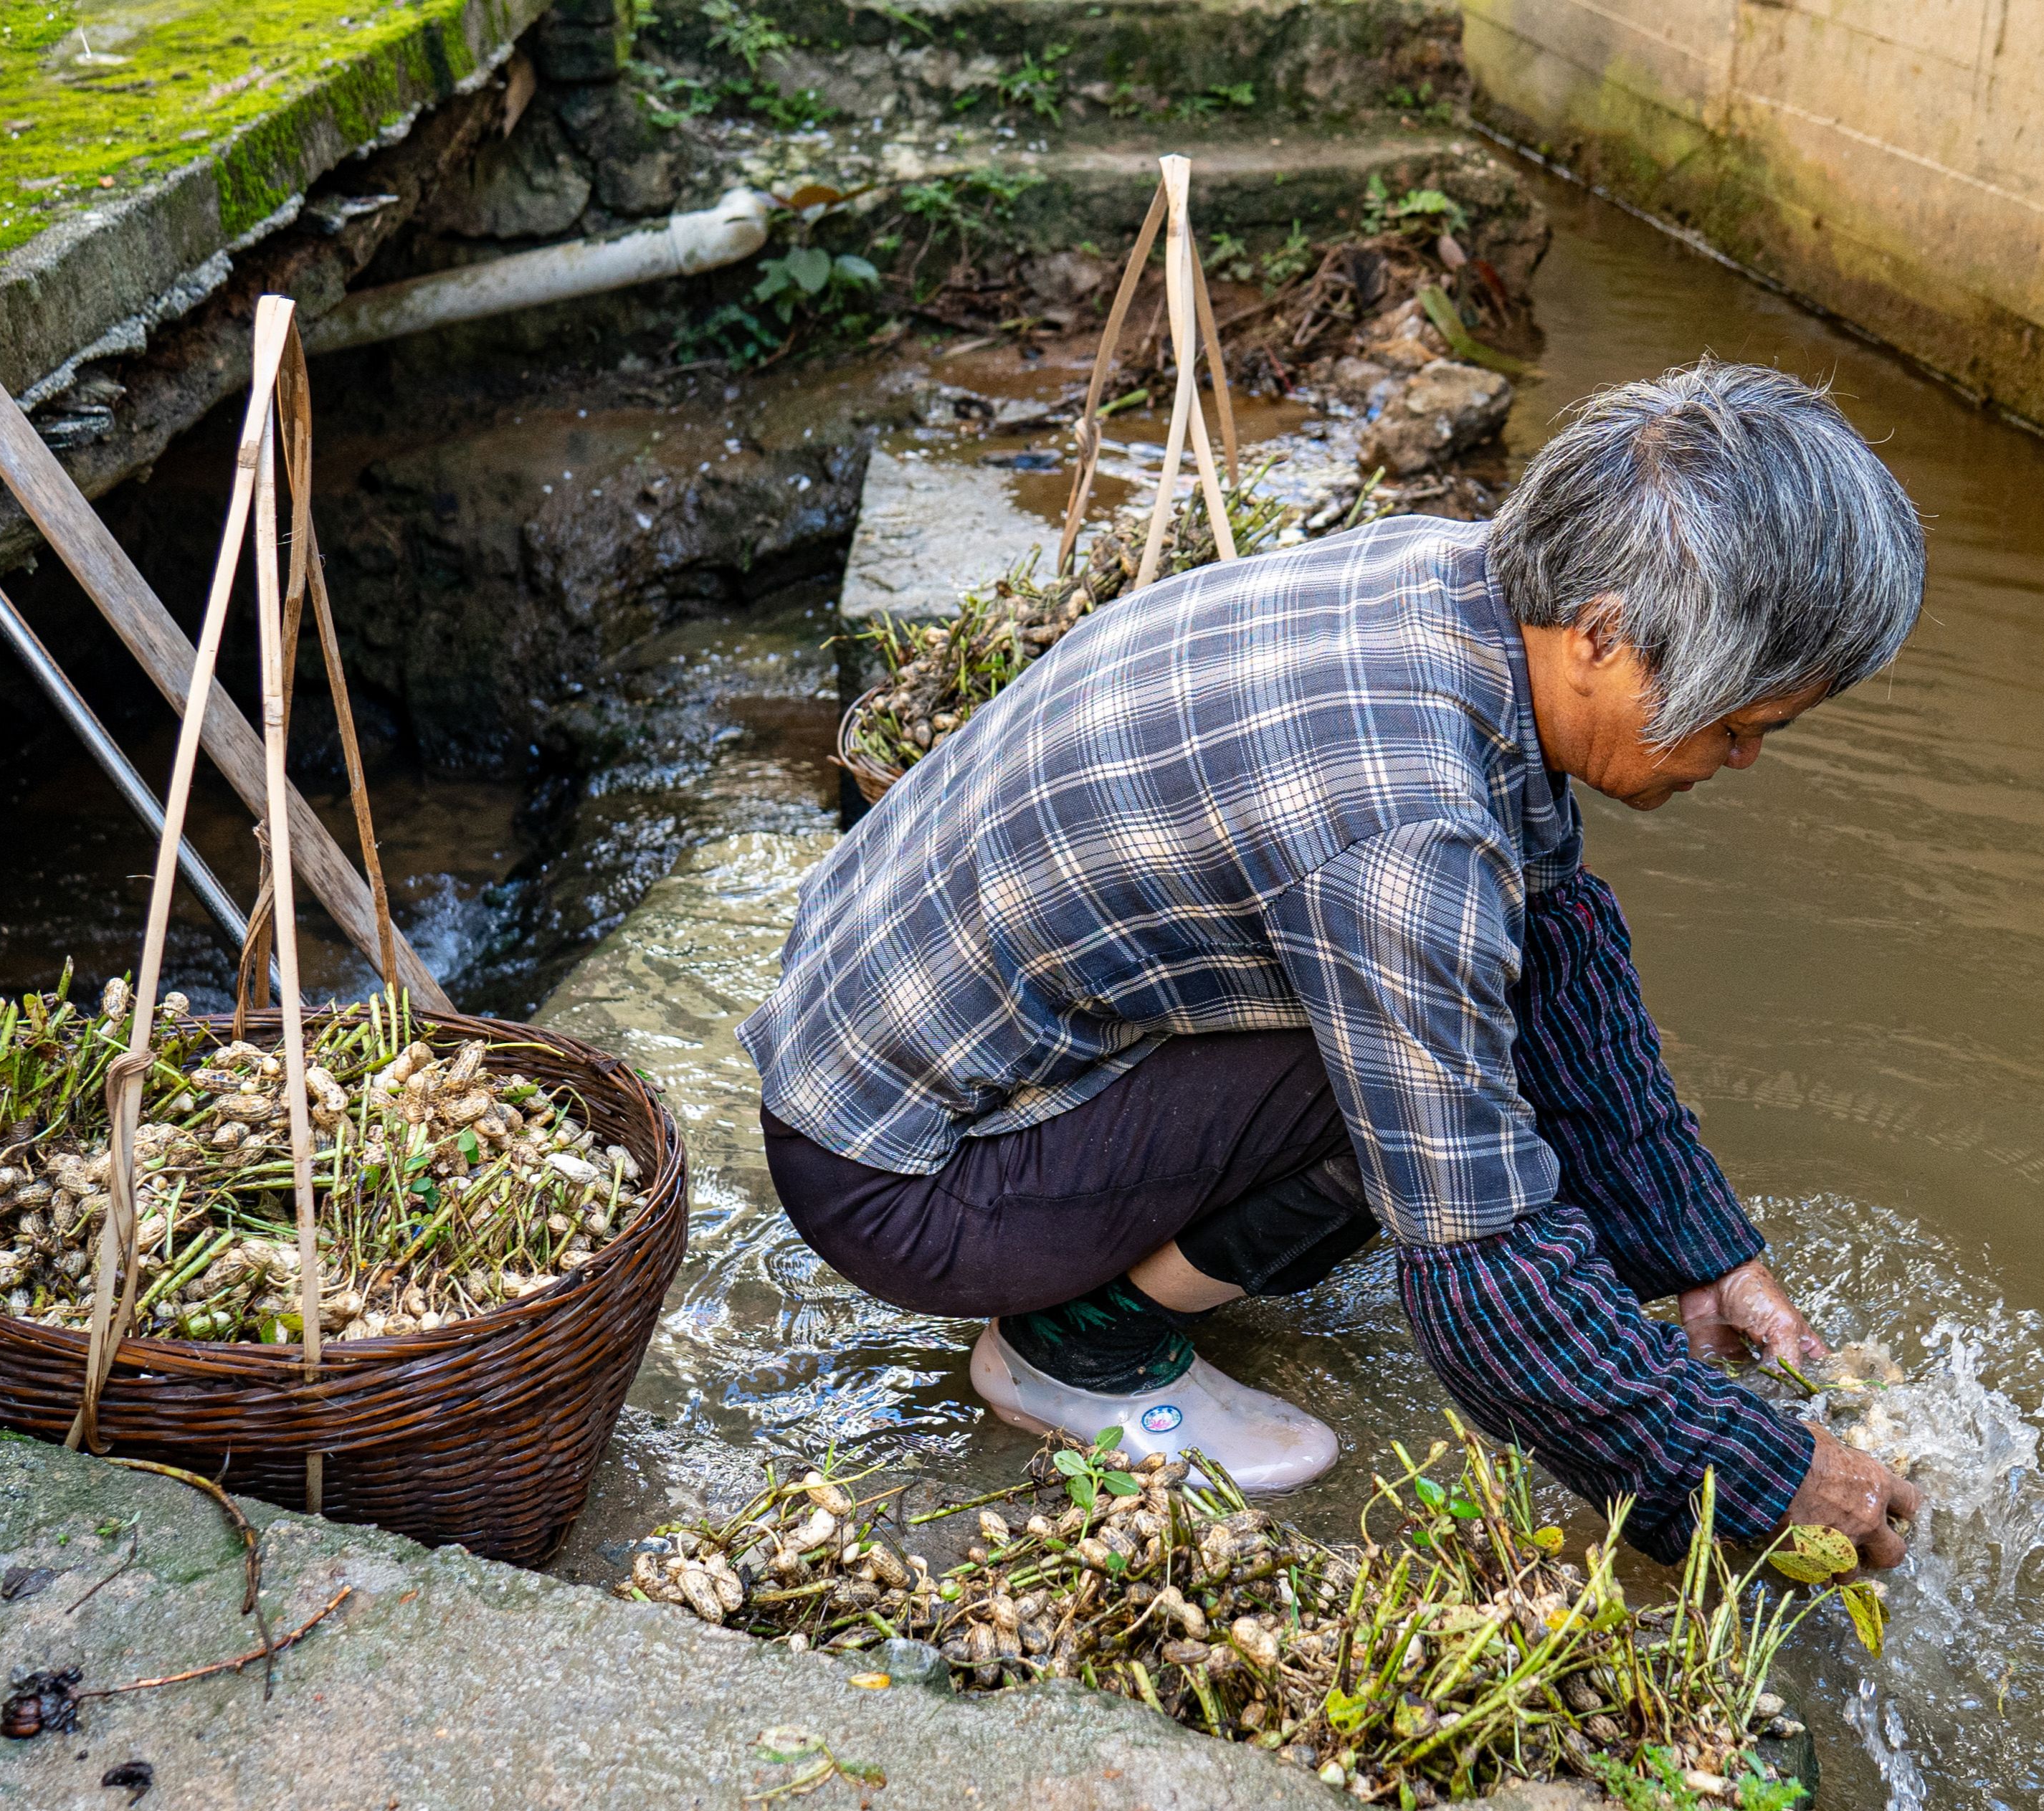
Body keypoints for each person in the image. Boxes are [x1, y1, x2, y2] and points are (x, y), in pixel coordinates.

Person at [741, 359, 1927, 1565]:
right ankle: (1077, 1348)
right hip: (899, 1176)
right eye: (1738, 726)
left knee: (1477, 991)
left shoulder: (1459, 577)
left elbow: (1557, 946)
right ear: (1606, 635)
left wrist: (1704, 1252)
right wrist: (1754, 1471)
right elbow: (1484, 1272)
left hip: (878, 1041)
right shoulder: (1407, 830)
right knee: (1424, 1090)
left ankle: (1097, 1280)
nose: (1741, 763)